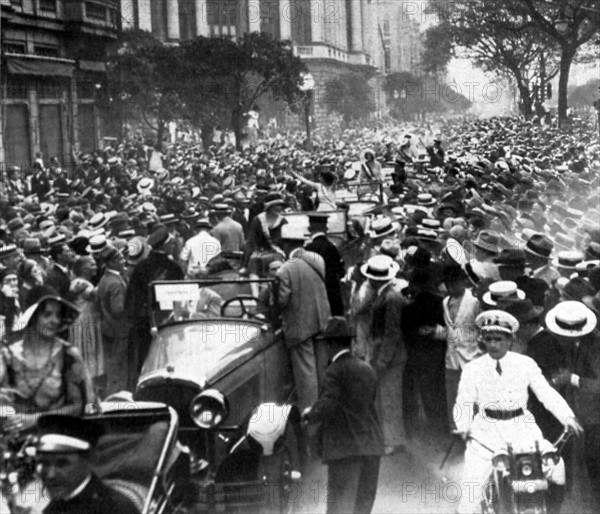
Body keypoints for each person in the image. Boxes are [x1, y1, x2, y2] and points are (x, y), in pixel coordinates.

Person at [454, 310, 583, 514]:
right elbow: (463, 401)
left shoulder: (525, 364)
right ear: (482, 341)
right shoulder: (472, 369)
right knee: (469, 499)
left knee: (557, 469)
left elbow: (546, 393)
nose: (494, 344)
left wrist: (567, 416)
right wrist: (463, 425)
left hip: (522, 430)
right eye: (489, 339)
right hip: (485, 434)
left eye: (499, 339)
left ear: (511, 339)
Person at [302, 317, 384, 514]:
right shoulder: (367, 368)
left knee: (339, 506)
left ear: (329, 344)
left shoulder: (334, 370)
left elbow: (328, 404)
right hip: (372, 446)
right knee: (363, 506)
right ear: (349, 342)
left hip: (345, 448)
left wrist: (309, 414)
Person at [0, 288, 95, 434]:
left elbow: (78, 405)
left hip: (56, 436)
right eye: (47, 315)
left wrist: (36, 419)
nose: (55, 321)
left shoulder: (68, 355)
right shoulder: (9, 354)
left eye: (58, 315)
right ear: (32, 317)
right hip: (15, 437)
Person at [546, 301, 600, 511]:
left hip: (596, 417)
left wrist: (572, 378)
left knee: (595, 465)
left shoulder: (596, 346)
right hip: (583, 415)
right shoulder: (574, 345)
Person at [36, 414, 138, 514]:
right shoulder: (54, 507)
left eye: (62, 464)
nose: (50, 475)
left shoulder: (114, 508)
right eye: (45, 463)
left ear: (90, 460)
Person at [275, 242, 331, 410]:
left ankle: (309, 415)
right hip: (322, 320)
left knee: (306, 374)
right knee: (322, 369)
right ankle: (325, 410)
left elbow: (282, 300)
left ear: (285, 245)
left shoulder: (285, 269)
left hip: (300, 326)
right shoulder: (317, 259)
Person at [96, 245, 130, 395]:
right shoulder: (115, 282)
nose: (124, 261)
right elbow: (118, 310)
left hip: (107, 327)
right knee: (119, 365)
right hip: (119, 329)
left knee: (111, 363)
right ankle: (117, 394)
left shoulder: (105, 279)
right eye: (120, 259)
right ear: (112, 262)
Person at [304, 213, 345, 316]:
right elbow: (341, 271)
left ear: (309, 229)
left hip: (314, 296)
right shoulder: (333, 247)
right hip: (333, 294)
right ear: (326, 228)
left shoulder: (308, 249)